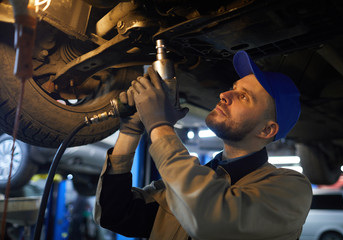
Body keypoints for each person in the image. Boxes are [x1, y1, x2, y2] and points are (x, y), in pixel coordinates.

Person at [93, 50, 313, 240]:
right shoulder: (189, 180)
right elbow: (114, 213)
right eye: (233, 87)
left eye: (244, 96)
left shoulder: (291, 189)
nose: (225, 94)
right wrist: (130, 133)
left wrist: (159, 126)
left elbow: (208, 218)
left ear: (267, 130)